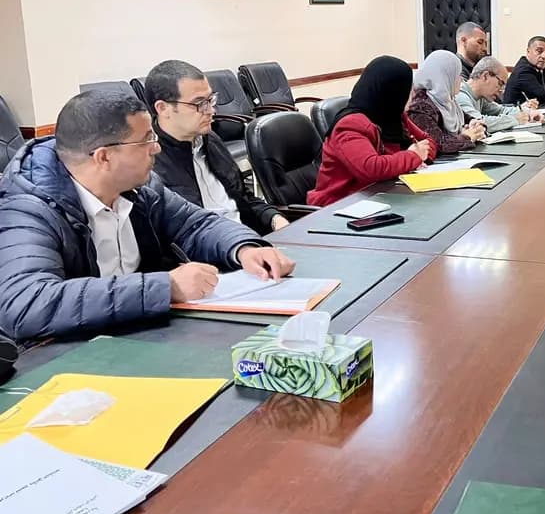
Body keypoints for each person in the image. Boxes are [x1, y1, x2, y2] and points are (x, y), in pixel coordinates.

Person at [0, 90, 295, 341]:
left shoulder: (141, 187)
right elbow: (26, 303)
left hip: (143, 330)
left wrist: (244, 248)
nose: (156, 148)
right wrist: (165, 287)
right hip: (69, 356)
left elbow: (196, 224)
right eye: (144, 141)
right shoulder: (29, 208)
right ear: (104, 157)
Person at [145, 60, 287, 236]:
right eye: (199, 104)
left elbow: (243, 198)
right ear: (163, 108)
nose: (211, 110)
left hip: (249, 238)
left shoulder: (211, 140)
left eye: (211, 100)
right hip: (213, 253)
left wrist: (274, 218)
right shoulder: (148, 164)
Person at [308, 56, 435, 207]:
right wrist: (412, 156)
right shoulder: (350, 125)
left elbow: (429, 142)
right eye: (408, 90)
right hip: (339, 206)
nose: (413, 96)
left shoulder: (395, 116)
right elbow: (371, 168)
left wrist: (418, 156)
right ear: (393, 92)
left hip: (381, 196)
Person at [407, 50, 486, 154]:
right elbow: (437, 144)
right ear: (443, 77)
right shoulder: (420, 106)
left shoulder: (447, 100)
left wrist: (476, 125)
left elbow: (468, 118)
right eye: (457, 75)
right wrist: (467, 137)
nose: (461, 80)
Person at [456, 56, 544, 133]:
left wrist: (528, 113)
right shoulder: (459, 95)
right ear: (485, 76)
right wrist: (515, 120)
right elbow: (479, 123)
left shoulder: (481, 96)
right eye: (500, 83)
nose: (501, 90)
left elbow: (501, 110)